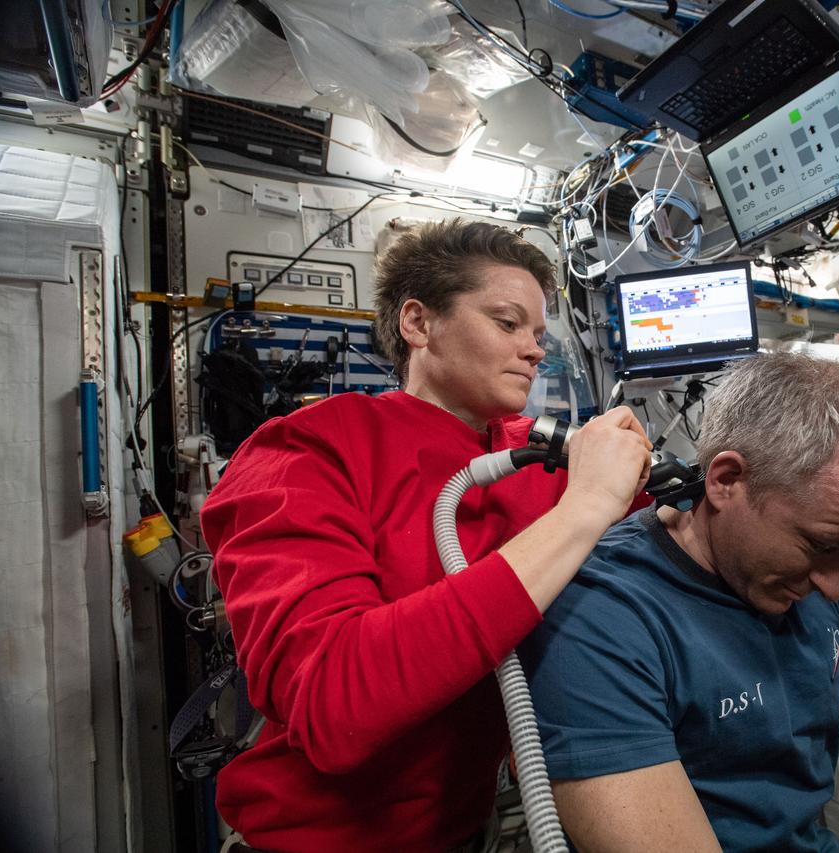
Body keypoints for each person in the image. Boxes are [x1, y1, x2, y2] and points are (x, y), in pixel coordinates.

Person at [200, 218, 652, 852]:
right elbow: (334, 703)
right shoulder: (308, 450)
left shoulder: (538, 458)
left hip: (468, 827)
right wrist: (586, 507)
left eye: (538, 334)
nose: (533, 350)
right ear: (418, 322)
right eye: (507, 323)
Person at [520, 352, 839, 852]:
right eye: (821, 545)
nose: (836, 587)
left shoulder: (812, 580)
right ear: (726, 481)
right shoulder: (600, 617)